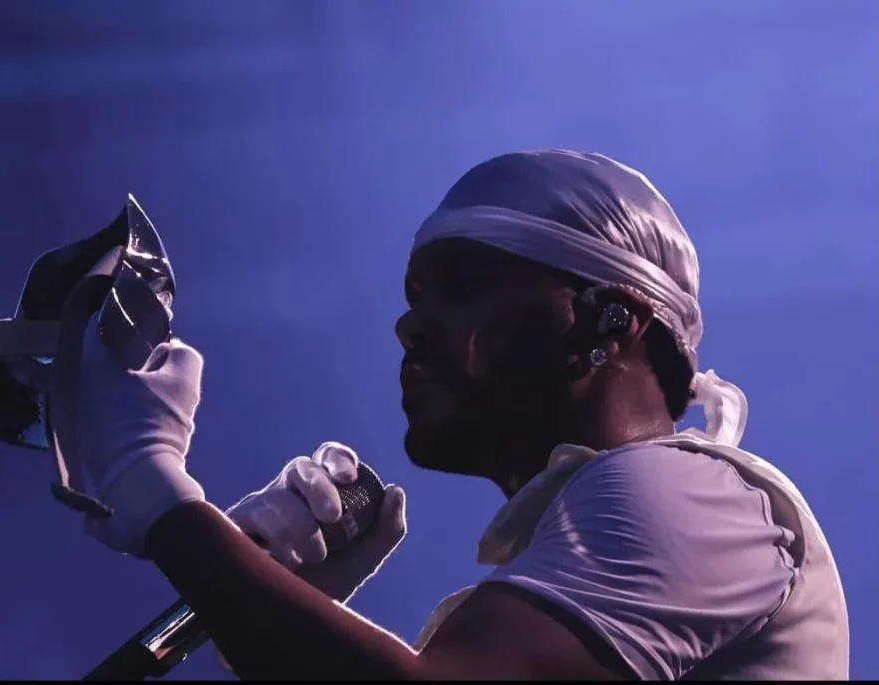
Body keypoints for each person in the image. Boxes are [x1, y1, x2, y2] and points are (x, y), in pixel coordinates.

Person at [72, 150, 849, 679]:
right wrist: (269, 618)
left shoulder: (685, 493)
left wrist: (152, 484)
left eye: (463, 287)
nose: (409, 327)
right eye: (414, 299)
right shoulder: (610, 535)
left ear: (612, 320)